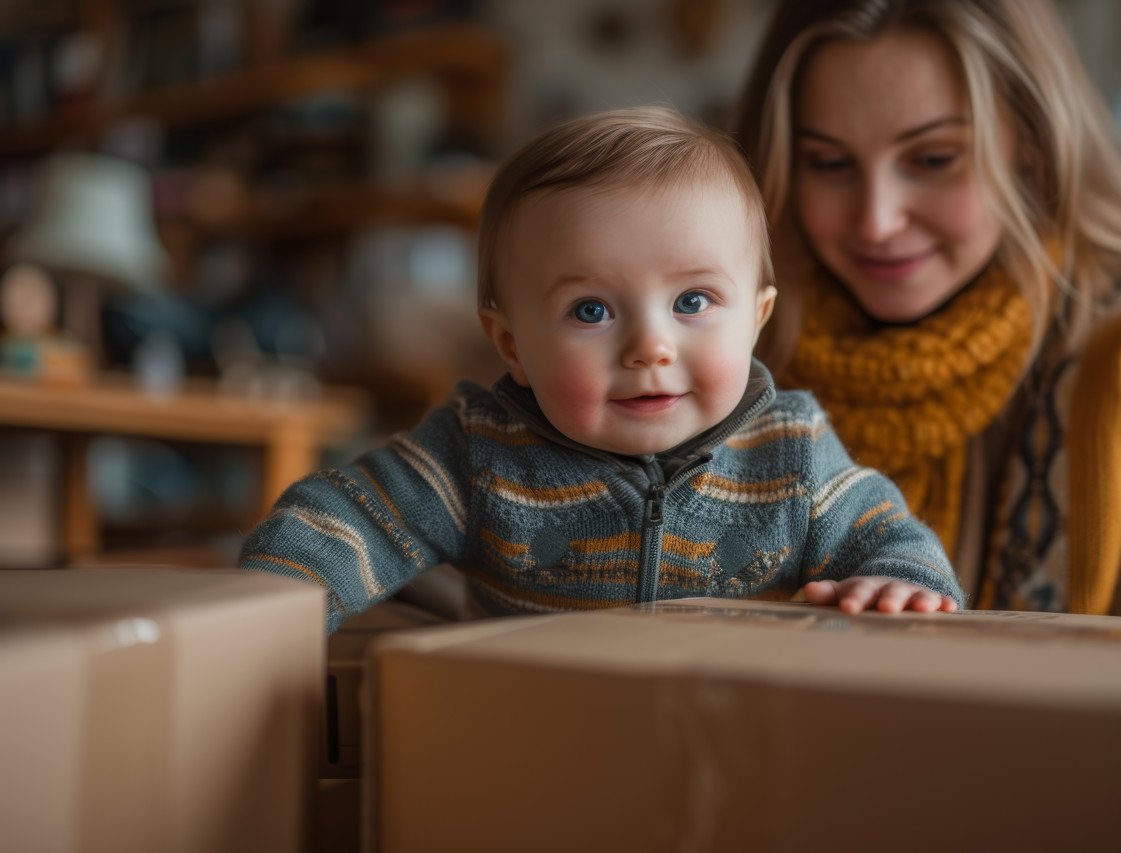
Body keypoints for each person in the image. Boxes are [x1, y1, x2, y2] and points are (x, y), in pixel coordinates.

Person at [240, 106, 962, 632]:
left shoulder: (792, 453)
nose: (650, 346)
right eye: (591, 311)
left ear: (757, 318)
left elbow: (888, 537)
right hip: (543, 736)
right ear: (513, 344)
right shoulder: (478, 451)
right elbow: (347, 516)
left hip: (736, 740)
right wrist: (273, 609)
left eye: (692, 300)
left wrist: (898, 583)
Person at [734, 0, 1121, 618]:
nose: (877, 221)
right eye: (829, 163)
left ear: (1032, 142)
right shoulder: (725, 340)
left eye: (933, 159)